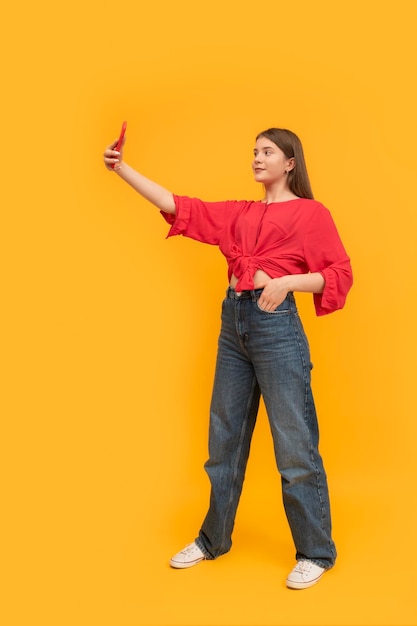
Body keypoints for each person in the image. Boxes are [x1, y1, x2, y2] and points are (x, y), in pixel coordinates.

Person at [103, 127, 353, 589]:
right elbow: (181, 206)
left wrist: (287, 283)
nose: (257, 158)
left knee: (294, 446)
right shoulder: (240, 213)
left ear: (290, 161)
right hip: (233, 326)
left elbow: (340, 273)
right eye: (254, 152)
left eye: (267, 152)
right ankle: (213, 539)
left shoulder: (311, 214)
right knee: (224, 442)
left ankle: (315, 552)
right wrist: (121, 169)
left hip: (276, 328)